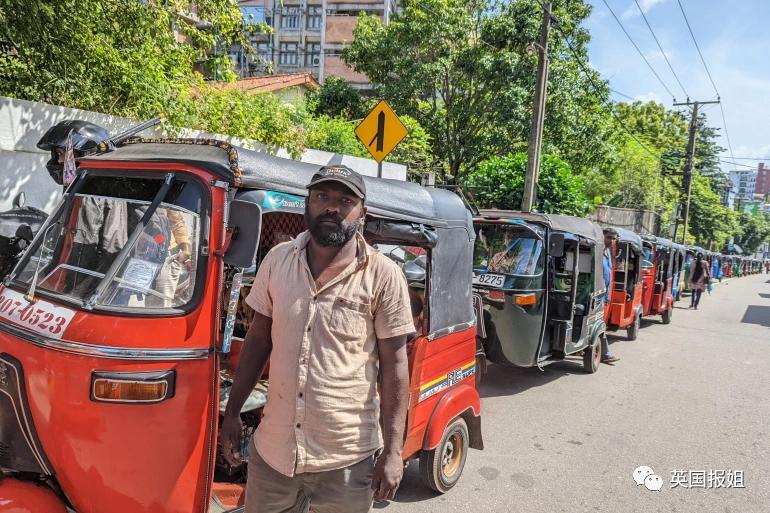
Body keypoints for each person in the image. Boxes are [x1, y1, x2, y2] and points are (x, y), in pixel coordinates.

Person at [220, 165, 414, 513]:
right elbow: (258, 340)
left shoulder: (384, 275)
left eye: (345, 201)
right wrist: (232, 412)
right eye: (322, 196)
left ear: (363, 212)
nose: (332, 207)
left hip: (346, 460)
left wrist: (393, 451)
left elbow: (395, 366)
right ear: (307, 203)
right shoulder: (278, 260)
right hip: (275, 453)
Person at [600, 228, 619, 364]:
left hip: (602, 296)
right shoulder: (597, 251)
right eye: (609, 237)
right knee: (599, 324)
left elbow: (608, 276)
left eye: (614, 239)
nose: (611, 241)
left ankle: (604, 353)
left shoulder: (608, 253)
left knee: (599, 324)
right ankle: (605, 354)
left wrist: (607, 296)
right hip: (594, 294)